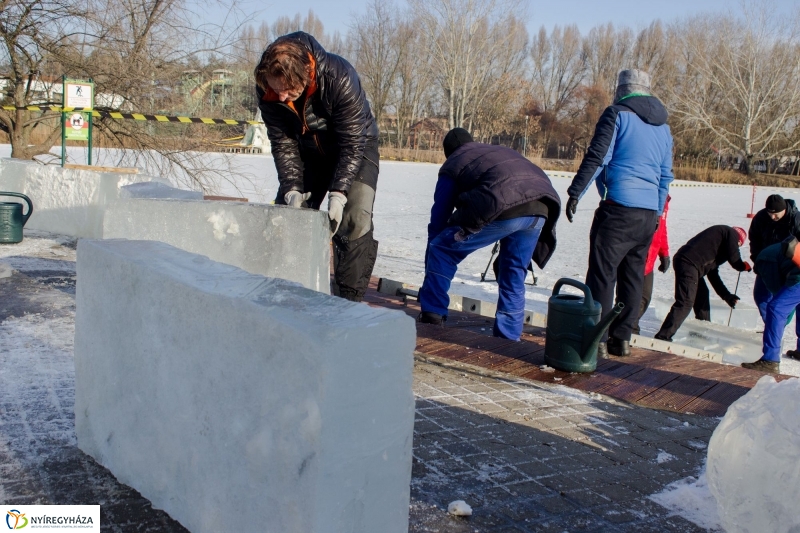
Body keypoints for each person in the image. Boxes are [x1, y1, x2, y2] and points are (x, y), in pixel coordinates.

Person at [254, 31, 379, 302]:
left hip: (356, 146)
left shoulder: (339, 77)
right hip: (308, 150)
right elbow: (282, 141)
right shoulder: (268, 89)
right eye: (276, 90)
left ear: (306, 73)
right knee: (289, 214)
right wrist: (291, 188)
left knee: (354, 217)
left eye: (288, 88)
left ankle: (348, 300)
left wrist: (338, 193)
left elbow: (352, 145)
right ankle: (285, 291)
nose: (283, 96)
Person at [565, 69, 673, 357]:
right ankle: (621, 339)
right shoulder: (663, 127)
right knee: (633, 276)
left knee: (603, 275)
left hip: (618, 210)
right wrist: (658, 213)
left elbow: (599, 156)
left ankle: (596, 339)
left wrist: (576, 191)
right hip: (648, 214)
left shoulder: (617, 114)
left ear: (622, 89)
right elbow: (665, 176)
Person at [418, 128, 561, 341]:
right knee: (513, 269)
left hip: (504, 204)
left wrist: (431, 260)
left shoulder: (454, 163)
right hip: (542, 206)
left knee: (442, 248)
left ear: (448, 152)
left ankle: (432, 314)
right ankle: (509, 336)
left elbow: (439, 218)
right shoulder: (494, 150)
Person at [655, 226, 751, 341]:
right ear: (739, 242)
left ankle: (702, 335)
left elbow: (713, 275)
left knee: (702, 296)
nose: (735, 248)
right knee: (685, 301)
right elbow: (735, 259)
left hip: (690, 264)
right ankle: (663, 336)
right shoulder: (731, 233)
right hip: (689, 263)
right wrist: (741, 266)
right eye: (737, 246)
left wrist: (727, 296)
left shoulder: (718, 246)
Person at [746, 236, 800, 373]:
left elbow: (775, 288)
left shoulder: (764, 260)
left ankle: (770, 360)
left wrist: (781, 319)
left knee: (776, 308)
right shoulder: (773, 253)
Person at [748, 194, 800, 322]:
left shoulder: (796, 219)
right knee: (760, 297)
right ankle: (772, 325)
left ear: (784, 210)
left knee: (781, 301)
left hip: (788, 267)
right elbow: (754, 240)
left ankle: (779, 325)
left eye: (776, 214)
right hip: (767, 264)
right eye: (770, 213)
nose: (773, 217)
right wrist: (757, 260)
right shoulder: (761, 218)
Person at [632, 195, 672, 335]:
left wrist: (664, 253)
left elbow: (662, 228)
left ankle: (630, 326)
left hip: (650, 257)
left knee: (645, 296)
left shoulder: (664, 199)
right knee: (630, 294)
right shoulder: (648, 194)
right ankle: (627, 328)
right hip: (637, 252)